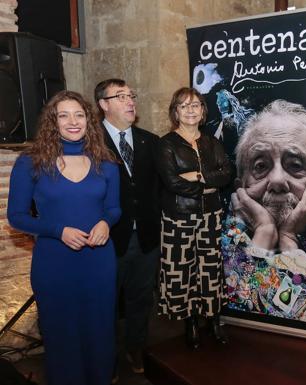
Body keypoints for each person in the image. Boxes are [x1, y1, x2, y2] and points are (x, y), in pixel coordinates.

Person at [8, 91, 120, 385]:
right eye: (64, 115)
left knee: (100, 332)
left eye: (79, 115)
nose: (73, 121)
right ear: (52, 121)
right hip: (54, 264)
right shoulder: (30, 162)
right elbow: (16, 217)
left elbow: (113, 208)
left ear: (89, 120)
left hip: (99, 263)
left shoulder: (106, 162)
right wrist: (58, 231)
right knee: (61, 336)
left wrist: (106, 223)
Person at [229, 99, 306, 288]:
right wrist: (265, 232)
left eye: (295, 165)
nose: (278, 180)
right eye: (261, 166)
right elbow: (239, 296)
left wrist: (288, 238)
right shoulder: (222, 241)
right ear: (241, 187)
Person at [156, 87, 233, 349]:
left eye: (196, 105)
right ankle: (189, 323)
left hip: (210, 216)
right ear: (175, 111)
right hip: (178, 217)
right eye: (184, 105)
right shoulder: (166, 144)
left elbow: (227, 174)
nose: (190, 110)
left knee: (210, 270)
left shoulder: (212, 142)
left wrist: (198, 176)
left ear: (202, 111)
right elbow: (171, 183)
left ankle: (213, 321)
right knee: (181, 271)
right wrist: (207, 184)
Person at [94, 78, 161, 375]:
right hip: (107, 239)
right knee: (104, 303)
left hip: (146, 237)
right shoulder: (90, 142)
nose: (130, 101)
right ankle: (105, 359)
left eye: (131, 95)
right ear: (103, 105)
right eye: (120, 96)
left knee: (141, 298)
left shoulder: (150, 141)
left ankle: (136, 350)